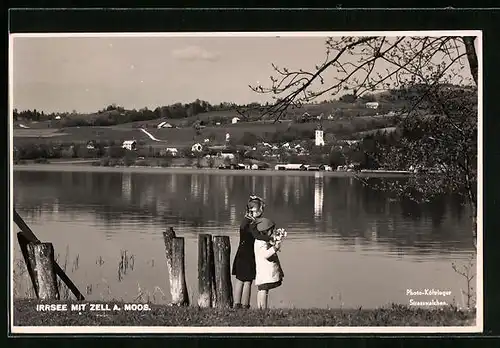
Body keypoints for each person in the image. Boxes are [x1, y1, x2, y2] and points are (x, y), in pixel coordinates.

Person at [231, 195, 271, 309]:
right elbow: (257, 236)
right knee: (247, 281)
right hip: (248, 256)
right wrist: (270, 238)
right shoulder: (252, 224)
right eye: (260, 210)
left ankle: (236, 304)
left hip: (241, 254)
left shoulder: (245, 222)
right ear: (254, 211)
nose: (262, 212)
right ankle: (245, 305)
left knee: (239, 280)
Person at [253, 217, 284, 310]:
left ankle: (260, 308)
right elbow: (265, 254)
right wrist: (275, 248)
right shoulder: (260, 242)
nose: (273, 231)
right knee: (263, 290)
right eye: (271, 230)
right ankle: (263, 308)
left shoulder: (261, 241)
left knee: (262, 290)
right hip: (264, 272)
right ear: (265, 231)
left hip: (263, 271)